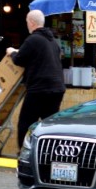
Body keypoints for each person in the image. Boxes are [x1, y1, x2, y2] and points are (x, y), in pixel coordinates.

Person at [10, 9, 66, 148]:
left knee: (26, 122)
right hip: (57, 88)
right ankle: (49, 152)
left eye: (27, 22)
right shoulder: (53, 41)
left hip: (39, 89)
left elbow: (19, 59)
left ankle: (23, 153)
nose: (27, 25)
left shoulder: (33, 39)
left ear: (32, 22)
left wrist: (11, 52)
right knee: (50, 125)